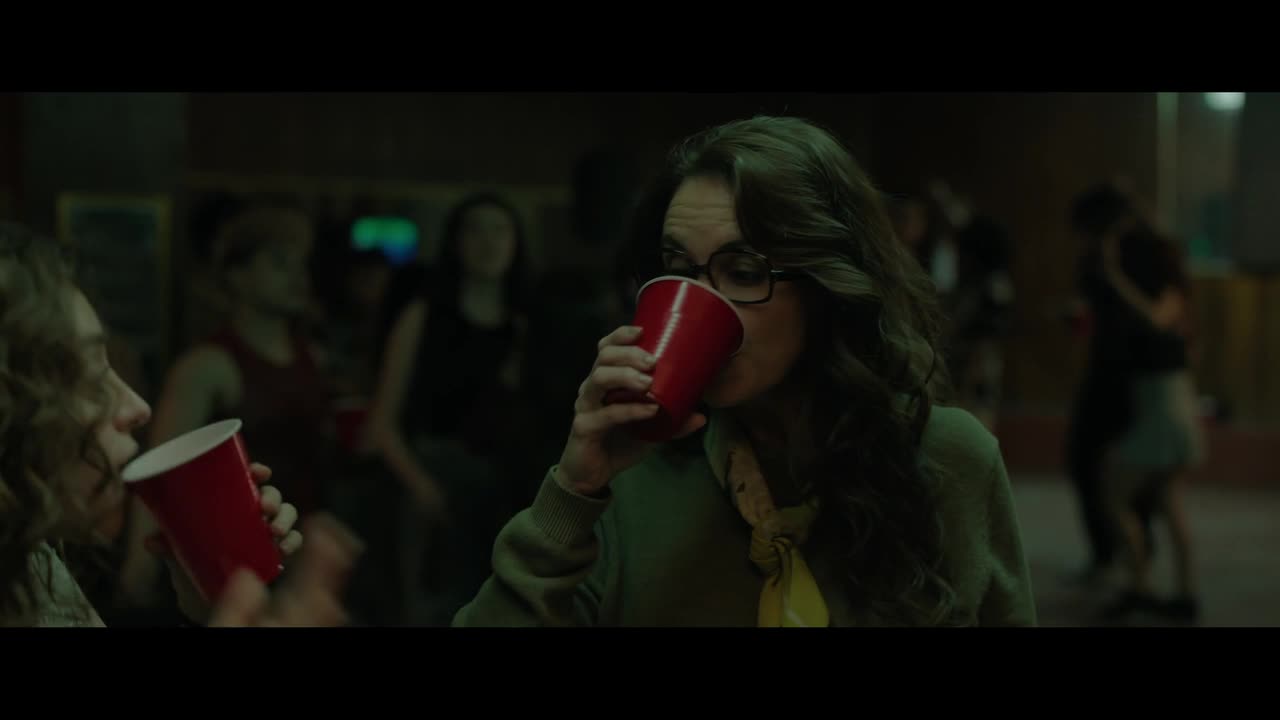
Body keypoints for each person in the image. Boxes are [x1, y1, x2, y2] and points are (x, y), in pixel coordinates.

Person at [453, 117, 1036, 627]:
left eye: (744, 272)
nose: (703, 303)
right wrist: (572, 495)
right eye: (680, 267)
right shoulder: (636, 472)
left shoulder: (950, 460)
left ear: (828, 287)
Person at [0, 221, 356, 627]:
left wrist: (212, 604)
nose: (138, 407)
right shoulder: (208, 364)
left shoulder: (33, 562)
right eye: (91, 377)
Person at [363, 192, 530, 625]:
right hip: (429, 475)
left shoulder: (525, 323)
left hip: (501, 487)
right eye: (475, 230)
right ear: (455, 242)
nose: (489, 242)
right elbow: (380, 424)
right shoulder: (424, 316)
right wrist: (420, 485)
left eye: (500, 231)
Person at [151, 204, 334, 520]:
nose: (298, 276)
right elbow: (162, 477)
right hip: (241, 531)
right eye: (280, 263)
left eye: (301, 264)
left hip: (303, 531)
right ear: (237, 275)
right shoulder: (206, 366)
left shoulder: (312, 357)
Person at [1097, 221, 1204, 622]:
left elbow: (1155, 319)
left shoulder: (1166, 296)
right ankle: (1182, 594)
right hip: (1170, 406)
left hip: (1164, 409)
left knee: (1117, 496)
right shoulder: (1168, 296)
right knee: (1168, 503)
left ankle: (1141, 587)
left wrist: (1115, 277)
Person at [1064, 183, 1160, 585]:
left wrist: (1114, 274)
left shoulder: (1139, 252)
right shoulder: (1093, 257)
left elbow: (1155, 315)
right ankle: (1108, 550)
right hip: (1104, 366)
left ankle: (1137, 547)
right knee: (1082, 459)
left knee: (1130, 467)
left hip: (1135, 372)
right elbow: (1093, 307)